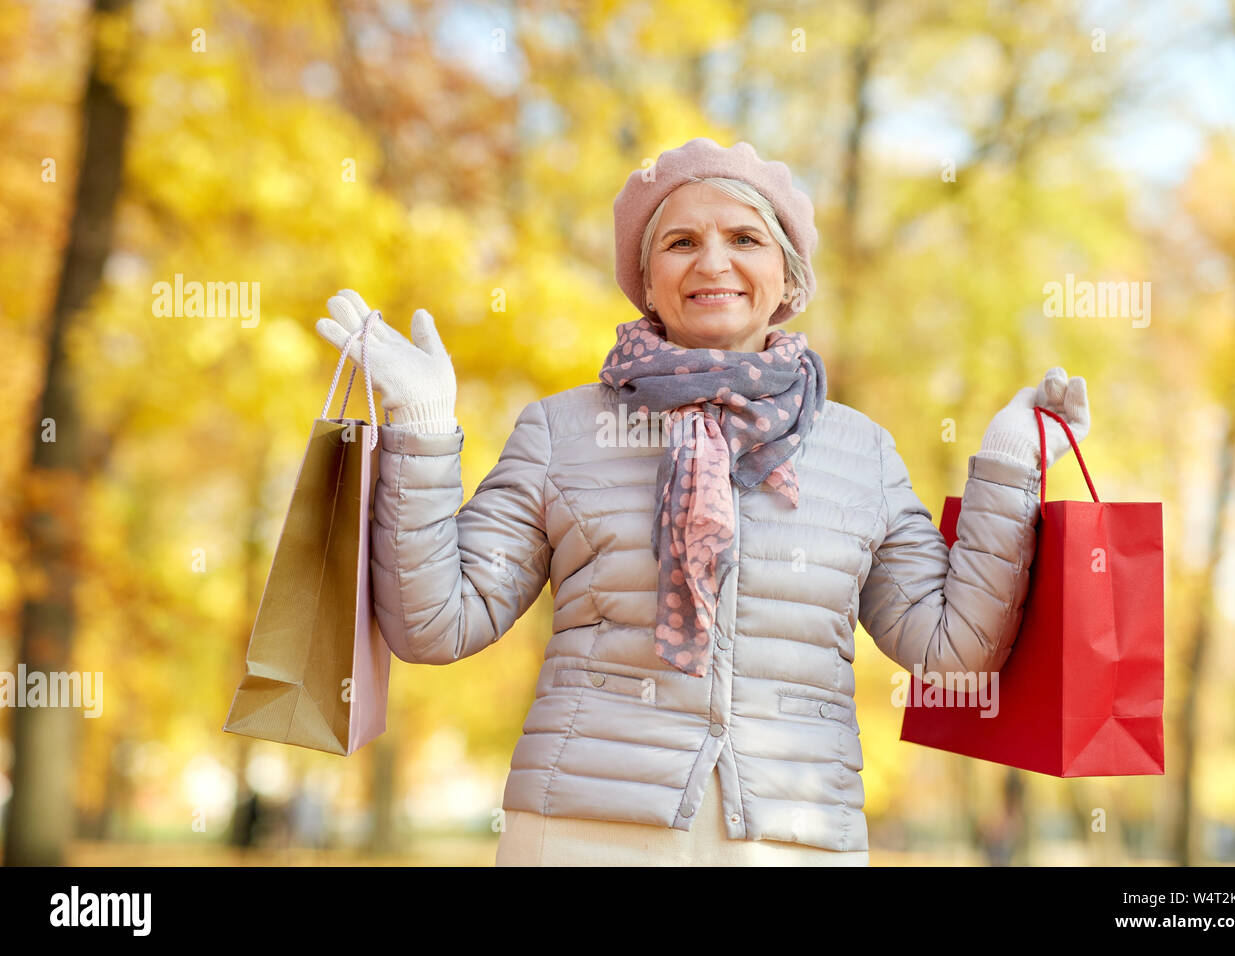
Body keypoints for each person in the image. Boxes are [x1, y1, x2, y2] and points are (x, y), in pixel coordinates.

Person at [315, 137, 1090, 866]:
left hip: (797, 835)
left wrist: (1009, 467)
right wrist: (421, 427)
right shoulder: (563, 431)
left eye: (745, 239)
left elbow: (953, 652)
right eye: (680, 242)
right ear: (646, 280)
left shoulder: (863, 453)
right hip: (589, 832)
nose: (712, 260)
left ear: (789, 279)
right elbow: (434, 624)